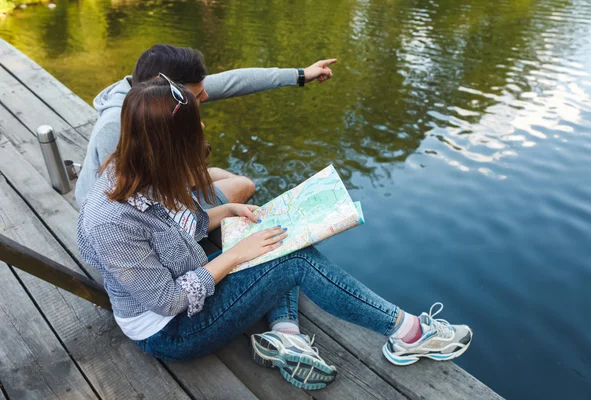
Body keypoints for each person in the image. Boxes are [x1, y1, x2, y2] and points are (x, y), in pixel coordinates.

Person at [77, 78, 473, 391]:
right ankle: (409, 333)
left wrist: (229, 211)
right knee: (295, 258)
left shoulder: (143, 169)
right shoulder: (111, 220)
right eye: (194, 129)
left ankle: (286, 334)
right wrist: (233, 256)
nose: (202, 130)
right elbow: (169, 301)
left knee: (283, 234)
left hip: (187, 287)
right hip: (172, 332)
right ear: (169, 144)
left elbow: (178, 229)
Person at [75, 44, 337, 208]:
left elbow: (233, 81)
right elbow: (122, 202)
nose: (207, 97)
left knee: (222, 175)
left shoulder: (156, 96)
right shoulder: (115, 126)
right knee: (243, 186)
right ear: (169, 91)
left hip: (157, 184)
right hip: (134, 223)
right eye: (198, 96)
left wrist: (300, 74)